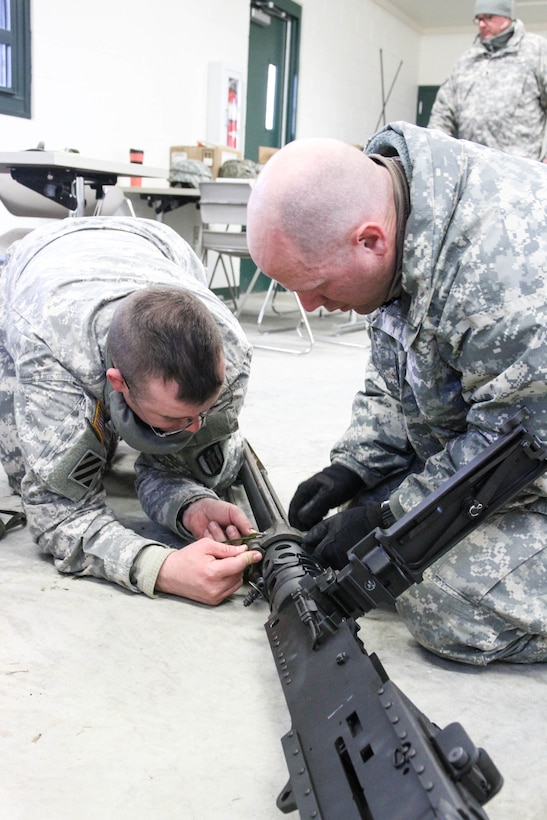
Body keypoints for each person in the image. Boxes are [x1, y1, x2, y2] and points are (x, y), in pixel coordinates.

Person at [246, 124, 547, 666]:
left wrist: (390, 513)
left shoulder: (509, 282)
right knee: (374, 538)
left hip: (534, 449)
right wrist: (353, 469)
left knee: (441, 597)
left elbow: (514, 453)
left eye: (315, 286)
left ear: (369, 241)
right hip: (515, 426)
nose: (309, 306)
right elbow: (396, 376)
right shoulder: (398, 209)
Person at [0, 217, 262, 605]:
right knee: (34, 471)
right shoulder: (50, 354)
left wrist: (190, 503)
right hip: (37, 271)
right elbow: (59, 515)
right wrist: (161, 568)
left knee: (209, 460)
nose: (193, 427)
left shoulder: (232, 354)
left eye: (200, 412)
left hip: (154, 243)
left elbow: (178, 458)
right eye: (175, 418)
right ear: (118, 382)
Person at [428, 0, 547, 162]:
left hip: (521, 170)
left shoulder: (536, 50)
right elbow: (442, 114)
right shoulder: (466, 61)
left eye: (489, 17)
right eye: (479, 19)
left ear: (507, 17)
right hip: (473, 169)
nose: (482, 24)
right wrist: (436, 152)